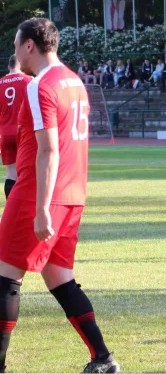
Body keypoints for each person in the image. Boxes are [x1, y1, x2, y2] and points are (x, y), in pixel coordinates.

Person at [0, 18, 120, 372]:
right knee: (60, 278)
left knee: (6, 278)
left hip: (41, 193)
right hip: (72, 194)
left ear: (29, 46)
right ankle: (104, 359)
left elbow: (49, 150)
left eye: (17, 43)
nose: (15, 50)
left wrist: (40, 209)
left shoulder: (40, 85)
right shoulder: (74, 81)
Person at [0, 55, 32, 198]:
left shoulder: (0, 83)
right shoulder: (29, 81)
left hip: (5, 134)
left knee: (11, 173)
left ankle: (10, 211)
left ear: (9, 66)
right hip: (23, 133)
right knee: (27, 173)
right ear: (22, 65)